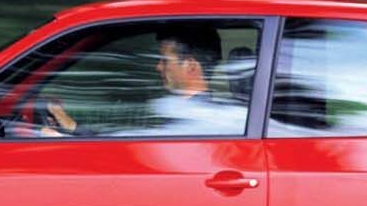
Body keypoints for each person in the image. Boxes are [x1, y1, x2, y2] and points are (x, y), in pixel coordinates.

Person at [41, 23, 247, 137]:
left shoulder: (198, 122)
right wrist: (72, 128)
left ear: (191, 66)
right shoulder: (188, 115)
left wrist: (60, 140)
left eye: (165, 61)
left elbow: (124, 158)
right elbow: (126, 145)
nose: (158, 67)